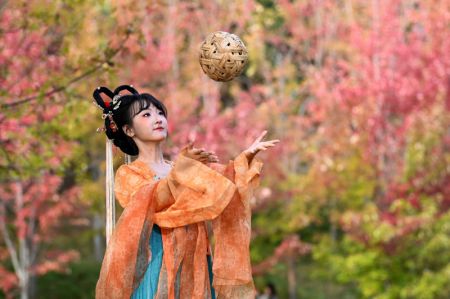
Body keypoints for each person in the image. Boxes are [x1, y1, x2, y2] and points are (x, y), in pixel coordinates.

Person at [92, 85, 279, 299]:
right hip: (157, 260)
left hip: (196, 264)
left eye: (160, 112)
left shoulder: (180, 166)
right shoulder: (129, 173)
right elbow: (153, 200)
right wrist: (184, 170)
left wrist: (244, 159)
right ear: (129, 130)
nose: (158, 118)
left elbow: (223, 188)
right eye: (147, 114)